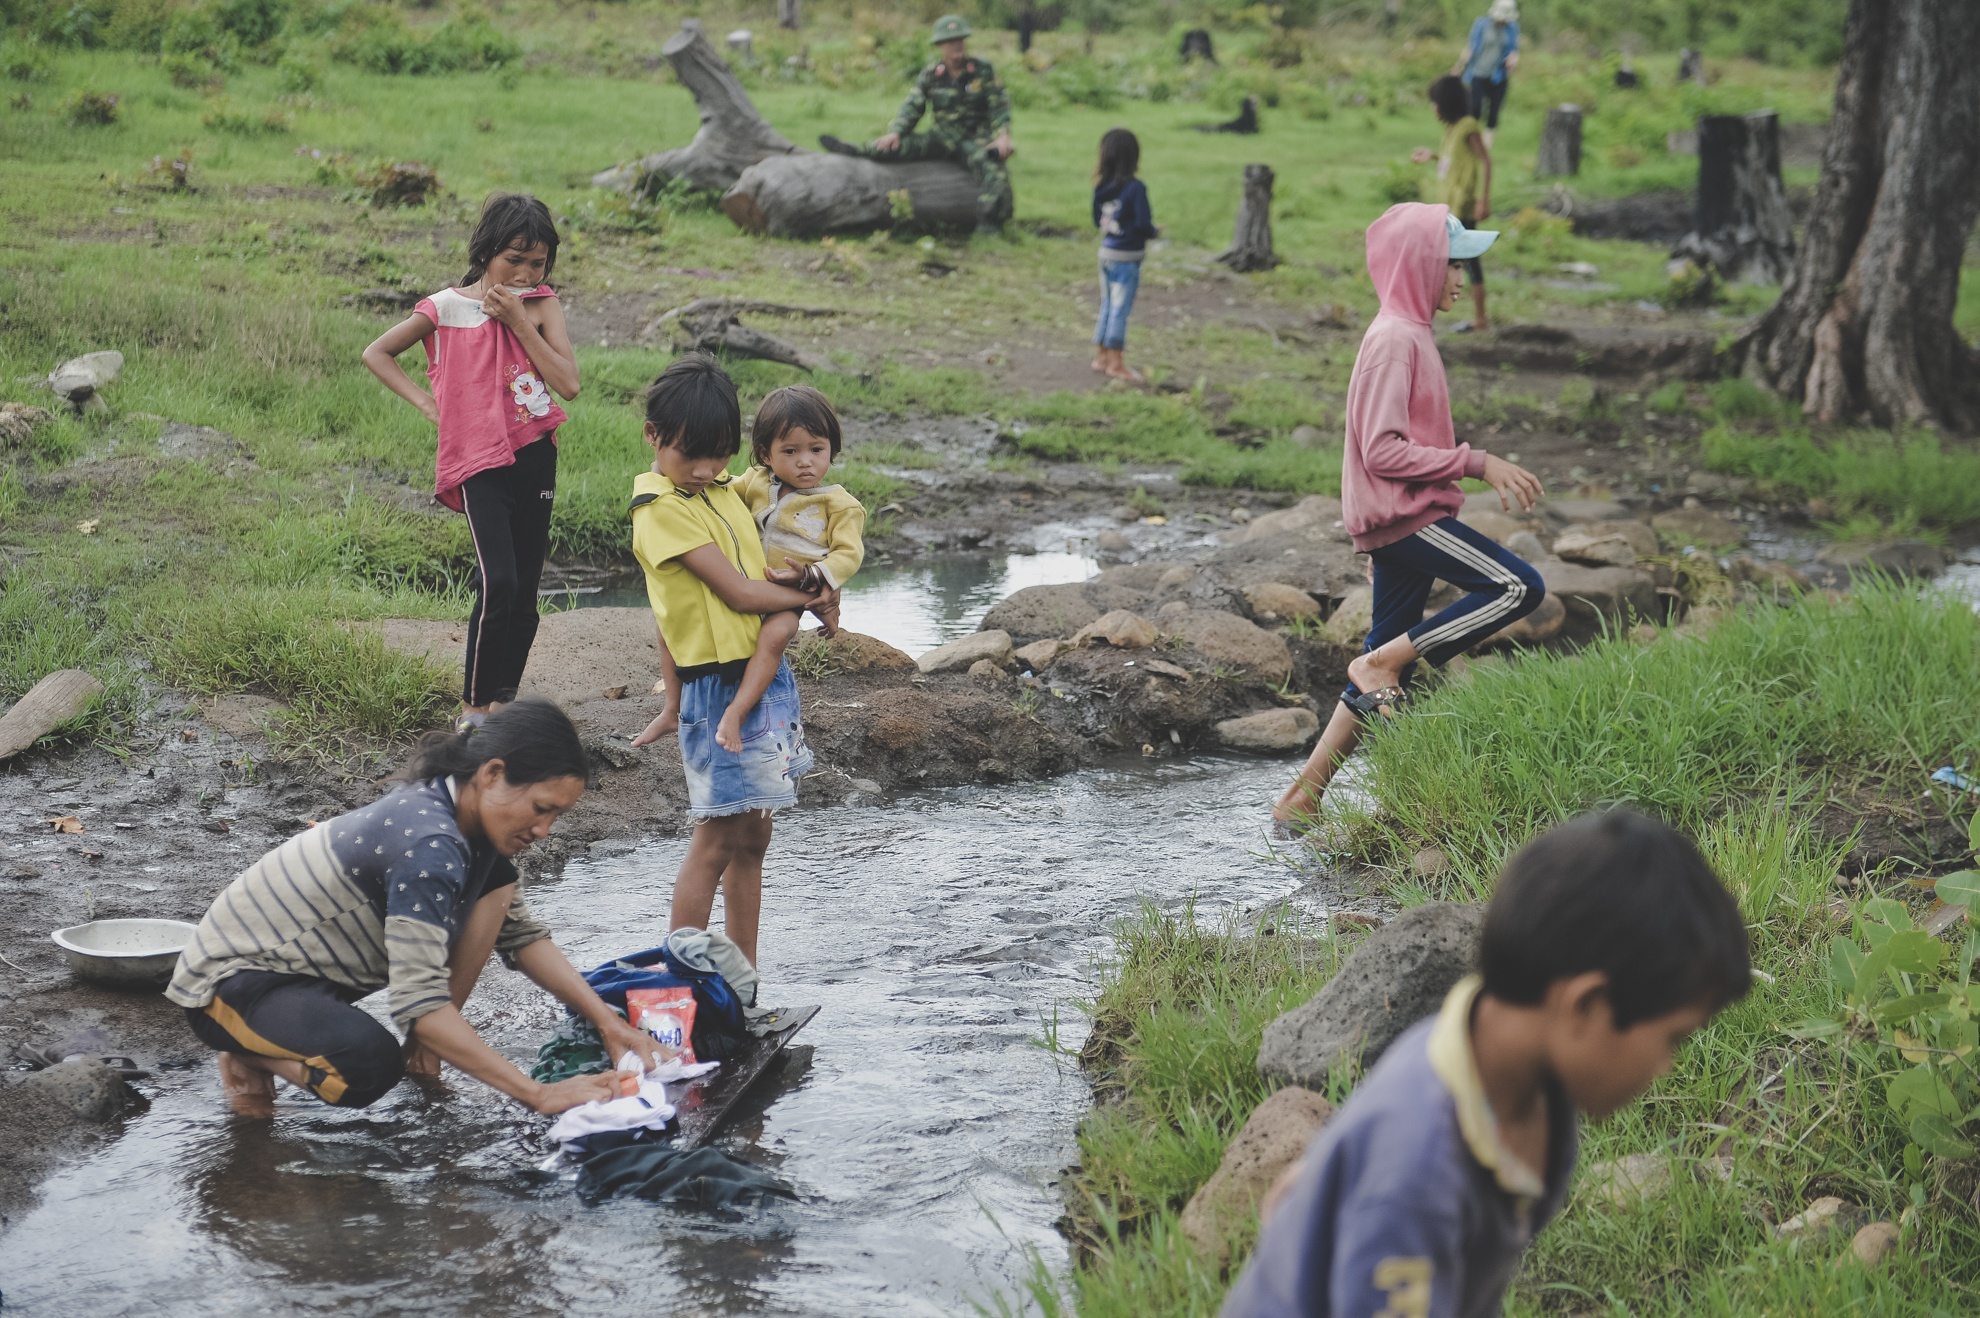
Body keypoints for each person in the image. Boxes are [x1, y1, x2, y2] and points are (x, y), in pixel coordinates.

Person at [1222, 810, 1753, 1318]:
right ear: (1586, 1007)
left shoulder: (1522, 1080)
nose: (1666, 1067)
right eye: (1673, 1038)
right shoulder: (1417, 1172)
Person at [166, 700, 662, 1116]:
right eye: (540, 808)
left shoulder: (472, 826)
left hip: (307, 977)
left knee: (499, 889)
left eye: (557, 815)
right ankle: (246, 1055)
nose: (543, 831)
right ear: (492, 774)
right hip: (232, 983)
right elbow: (417, 1005)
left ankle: (303, 1048)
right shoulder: (429, 844)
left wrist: (609, 1023)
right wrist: (538, 1093)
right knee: (366, 1070)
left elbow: (521, 937)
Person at [1273, 205, 1544, 832]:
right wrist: (1476, 462)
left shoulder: (1411, 332)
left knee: (1384, 647)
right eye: (1452, 262)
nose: (1460, 275)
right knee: (1516, 586)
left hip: (1402, 516)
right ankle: (1379, 667)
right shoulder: (1395, 339)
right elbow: (1381, 449)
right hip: (1406, 516)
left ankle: (1302, 797)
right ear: (1420, 264)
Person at [628, 355, 830, 965]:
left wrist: (669, 702)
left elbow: (670, 615)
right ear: (653, 437)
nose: (706, 468)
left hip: (762, 681)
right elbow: (738, 594)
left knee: (754, 836)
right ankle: (681, 978)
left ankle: (744, 976)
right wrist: (813, 595)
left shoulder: (723, 493)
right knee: (715, 838)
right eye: (692, 454)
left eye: (718, 454)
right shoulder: (660, 511)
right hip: (719, 690)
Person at [362, 194, 580, 732]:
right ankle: (472, 712)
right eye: (515, 260)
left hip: (535, 458)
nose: (528, 273)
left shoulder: (541, 304)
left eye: (538, 262)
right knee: (498, 582)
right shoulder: (444, 307)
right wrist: (429, 405)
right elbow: (377, 353)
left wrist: (518, 319)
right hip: (479, 461)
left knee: (526, 591)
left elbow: (569, 384)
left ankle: (502, 707)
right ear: (486, 253)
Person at [725, 385, 865, 753]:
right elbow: (725, 491)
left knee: (775, 638)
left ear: (832, 449)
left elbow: (848, 554)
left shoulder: (839, 504)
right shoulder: (756, 481)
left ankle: (738, 711)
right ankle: (829, 615)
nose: (806, 462)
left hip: (794, 593)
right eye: (791, 451)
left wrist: (813, 576)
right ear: (764, 455)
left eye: (816, 450)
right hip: (754, 583)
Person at [818, 14, 1014, 238]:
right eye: (951, 41)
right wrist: (896, 132)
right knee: (898, 146)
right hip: (943, 135)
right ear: (940, 45)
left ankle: (989, 229)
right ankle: (857, 150)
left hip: (975, 137)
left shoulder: (982, 70)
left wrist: (1003, 135)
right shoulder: (932, 74)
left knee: (994, 172)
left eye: (960, 40)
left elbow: (999, 104)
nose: (957, 45)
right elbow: (913, 106)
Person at [1412, 75, 1493, 333]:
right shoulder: (1450, 129)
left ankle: (1480, 319)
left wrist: (1484, 199)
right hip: (1448, 207)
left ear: (1446, 103)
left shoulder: (1469, 126)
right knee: (1446, 261)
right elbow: (1454, 163)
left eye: (1436, 103)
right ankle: (1432, 315)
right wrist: (1433, 156)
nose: (1433, 109)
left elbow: (1485, 161)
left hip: (1464, 205)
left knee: (1467, 262)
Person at [1091, 127, 1159, 384]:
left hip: (1106, 254)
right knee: (1119, 309)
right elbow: (1142, 223)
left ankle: (1101, 357)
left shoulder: (1101, 188)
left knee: (1107, 305)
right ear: (1134, 157)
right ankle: (1116, 364)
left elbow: (1096, 219)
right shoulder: (1136, 188)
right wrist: (1153, 232)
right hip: (1126, 261)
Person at [1453, 0, 1519, 146]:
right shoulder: (1481, 24)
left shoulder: (1512, 28)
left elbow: (1514, 50)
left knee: (1494, 110)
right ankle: (1472, 137)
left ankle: (1486, 145)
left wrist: (1513, 60)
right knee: (1475, 107)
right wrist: (1459, 66)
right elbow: (1471, 47)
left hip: (1498, 75)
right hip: (1478, 72)